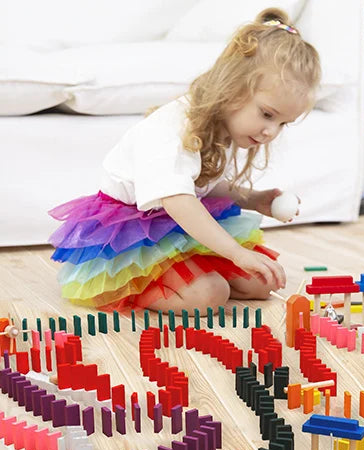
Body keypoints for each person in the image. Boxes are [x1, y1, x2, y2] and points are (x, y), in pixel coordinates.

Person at [49, 9, 319, 314]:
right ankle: (130, 289)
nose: (271, 131)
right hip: (131, 234)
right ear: (233, 88)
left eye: (283, 123)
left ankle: (196, 275)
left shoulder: (223, 125)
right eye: (267, 114)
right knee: (209, 294)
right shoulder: (173, 129)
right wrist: (234, 252)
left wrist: (253, 199)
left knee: (262, 283)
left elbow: (201, 184)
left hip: (176, 224)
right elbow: (179, 200)